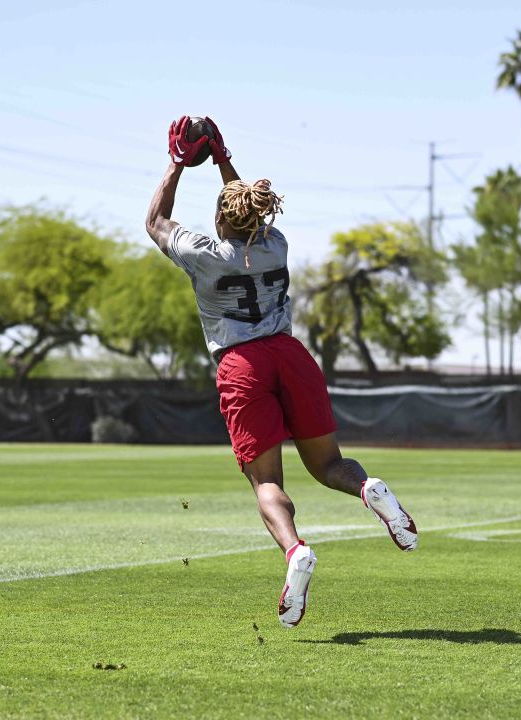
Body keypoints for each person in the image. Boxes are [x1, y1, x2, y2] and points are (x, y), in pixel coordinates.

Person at [143, 116, 418, 629]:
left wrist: (179, 163)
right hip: (291, 355)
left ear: (222, 219)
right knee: (329, 464)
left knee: (266, 481)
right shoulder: (276, 243)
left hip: (242, 364)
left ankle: (295, 551)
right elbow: (243, 209)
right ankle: (368, 489)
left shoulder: (206, 256)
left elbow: (156, 221)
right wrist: (224, 159)